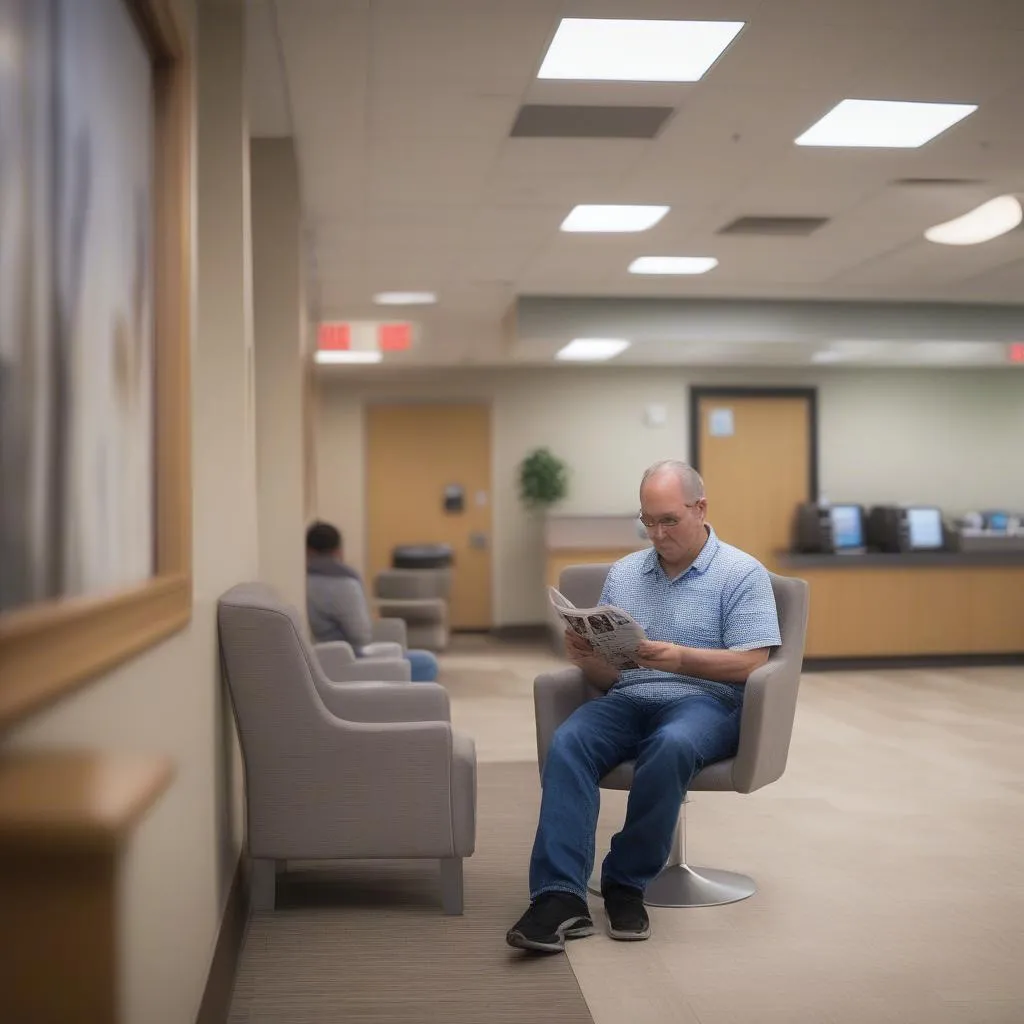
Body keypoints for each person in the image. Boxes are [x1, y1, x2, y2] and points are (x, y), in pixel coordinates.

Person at [506, 460, 781, 953]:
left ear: (701, 508)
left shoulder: (742, 573)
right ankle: (559, 895)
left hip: (706, 703)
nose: (656, 533)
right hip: (629, 697)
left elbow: (752, 663)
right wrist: (588, 659)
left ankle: (626, 882)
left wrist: (678, 659)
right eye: (647, 521)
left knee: (671, 744)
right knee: (568, 741)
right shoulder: (626, 573)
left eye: (668, 520)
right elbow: (612, 677)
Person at [305, 521, 440, 683]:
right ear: (338, 551)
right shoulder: (345, 583)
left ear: (308, 551)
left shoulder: (304, 580)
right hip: (347, 661)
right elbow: (360, 636)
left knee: (399, 651)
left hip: (323, 658)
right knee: (427, 663)